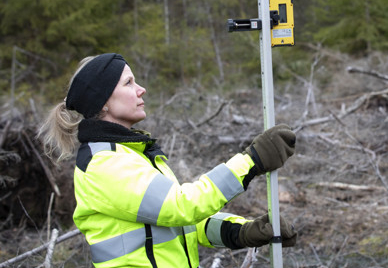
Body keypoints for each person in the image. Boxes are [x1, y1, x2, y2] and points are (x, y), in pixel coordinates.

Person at [39, 53, 297, 268]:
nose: (141, 89)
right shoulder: (104, 164)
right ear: (103, 102)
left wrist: (241, 231)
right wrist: (251, 161)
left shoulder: (133, 154)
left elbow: (182, 224)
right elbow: (182, 205)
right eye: (128, 83)